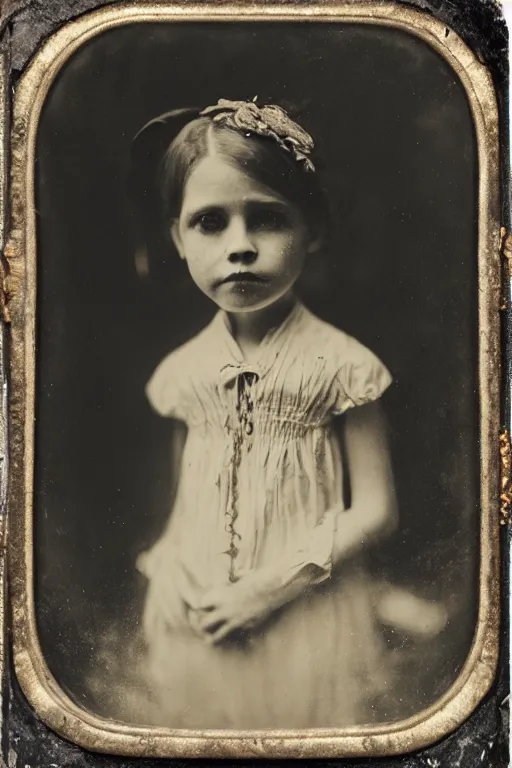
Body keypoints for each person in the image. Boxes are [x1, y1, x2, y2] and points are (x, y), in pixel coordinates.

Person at [134, 98, 399, 729]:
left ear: (312, 230)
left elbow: (378, 510)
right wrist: (169, 571)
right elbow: (187, 498)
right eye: (209, 223)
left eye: (267, 219)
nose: (241, 247)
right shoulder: (182, 374)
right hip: (197, 606)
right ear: (176, 237)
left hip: (303, 610)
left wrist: (266, 591)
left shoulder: (342, 365)